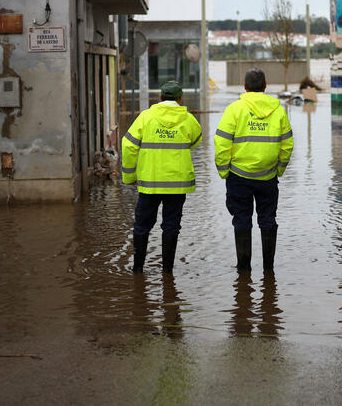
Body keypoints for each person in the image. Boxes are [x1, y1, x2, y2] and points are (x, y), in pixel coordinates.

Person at [214, 68, 294, 272]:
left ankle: (243, 270)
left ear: (245, 87)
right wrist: (279, 169)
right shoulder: (278, 110)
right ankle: (269, 269)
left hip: (239, 176)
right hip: (267, 177)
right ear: (265, 86)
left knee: (241, 219)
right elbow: (287, 145)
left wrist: (225, 171)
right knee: (268, 219)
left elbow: (222, 143)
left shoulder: (235, 109)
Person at [122, 80, 202, 274]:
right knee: (171, 226)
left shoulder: (146, 117)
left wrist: (129, 176)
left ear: (159, 98)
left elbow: (128, 145)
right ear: (180, 99)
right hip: (176, 184)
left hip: (150, 183)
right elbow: (195, 142)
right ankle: (167, 271)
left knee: (142, 225)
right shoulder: (189, 119)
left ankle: (138, 269)